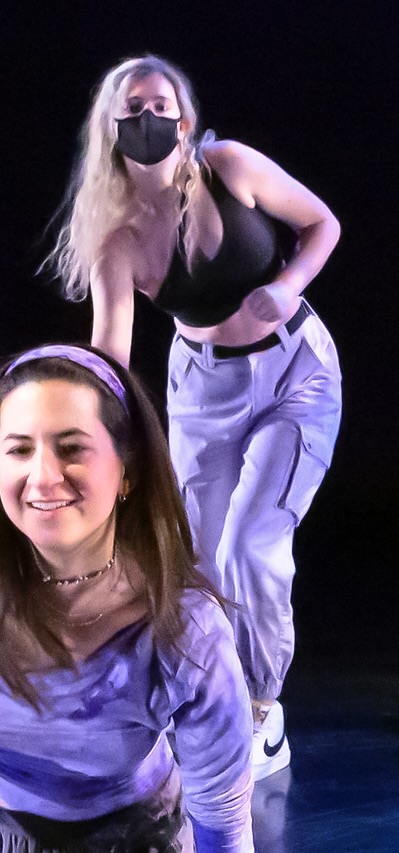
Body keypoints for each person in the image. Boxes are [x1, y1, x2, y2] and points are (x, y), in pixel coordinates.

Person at [45, 54, 342, 781]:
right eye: (133, 110)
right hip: (201, 392)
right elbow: (110, 348)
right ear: (111, 129)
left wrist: (288, 282)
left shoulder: (227, 166)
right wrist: (77, 421)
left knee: (250, 544)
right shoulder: (115, 237)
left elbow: (319, 223)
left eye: (161, 105)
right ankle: (209, 705)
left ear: (185, 115)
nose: (150, 121)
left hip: (292, 370)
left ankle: (263, 713)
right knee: (200, 563)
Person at [0, 343, 254, 853]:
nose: (44, 475)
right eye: (19, 449)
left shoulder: (186, 631)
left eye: (71, 448)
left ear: (127, 471)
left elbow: (224, 823)